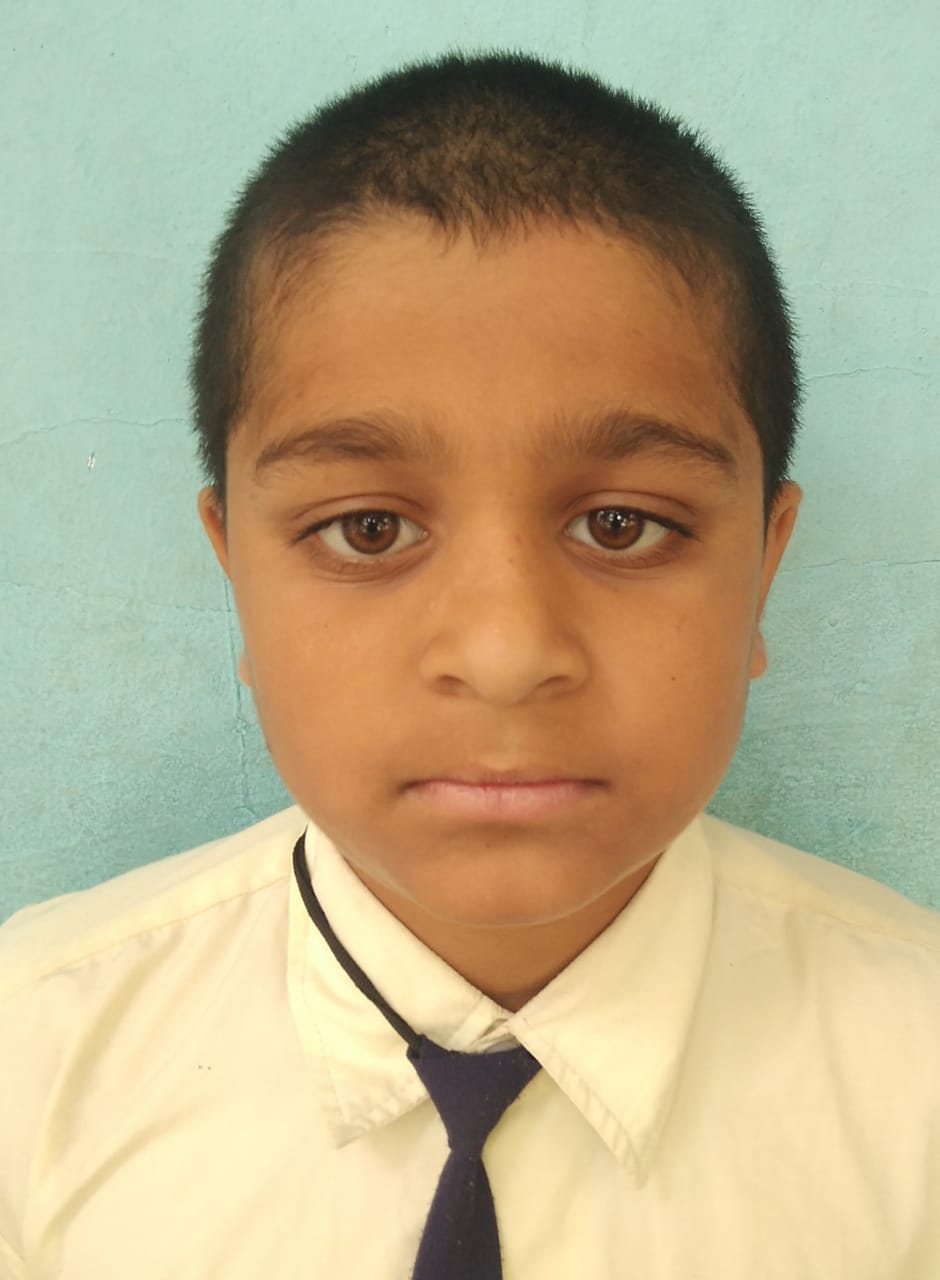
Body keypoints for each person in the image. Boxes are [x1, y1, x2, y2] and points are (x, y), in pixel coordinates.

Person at [1, 51, 938, 1280]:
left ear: (763, 566)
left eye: (621, 525)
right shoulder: (33, 1066)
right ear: (234, 569)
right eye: (366, 529)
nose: (503, 657)